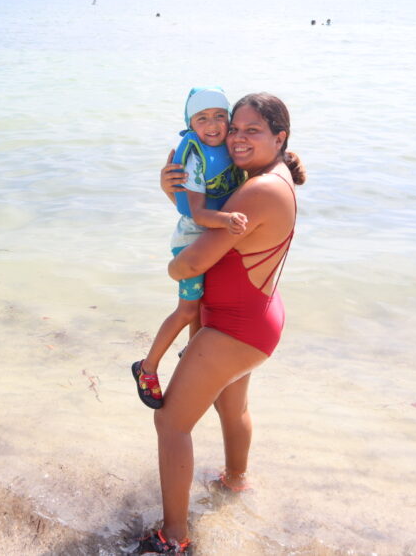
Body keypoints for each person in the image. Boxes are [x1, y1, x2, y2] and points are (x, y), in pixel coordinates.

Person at [137, 92, 306, 555]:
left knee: (171, 423)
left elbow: (192, 264)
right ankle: (235, 483)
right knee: (232, 409)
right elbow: (203, 210)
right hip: (256, 315)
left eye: (252, 130)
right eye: (235, 128)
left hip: (233, 326)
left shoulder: (257, 189)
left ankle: (173, 539)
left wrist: (172, 270)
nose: (237, 138)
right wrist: (170, 188)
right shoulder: (274, 177)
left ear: (279, 136)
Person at [132, 87, 246, 409]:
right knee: (188, 309)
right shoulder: (194, 155)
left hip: (213, 232)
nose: (212, 125)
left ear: (229, 119)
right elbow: (197, 213)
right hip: (191, 239)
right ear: (190, 124)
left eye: (220, 117)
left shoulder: (230, 148)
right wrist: (227, 220)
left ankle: (191, 353)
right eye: (202, 118)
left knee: (204, 306)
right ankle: (148, 368)